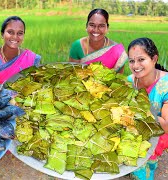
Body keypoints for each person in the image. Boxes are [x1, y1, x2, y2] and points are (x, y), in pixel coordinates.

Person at [127, 37, 168, 180]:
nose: (135, 65)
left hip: (158, 133)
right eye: (131, 61)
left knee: (146, 166)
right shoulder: (129, 81)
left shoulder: (165, 85)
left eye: (141, 59)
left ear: (154, 59)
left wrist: (142, 114)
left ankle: (151, 163)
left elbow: (167, 126)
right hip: (134, 131)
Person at [0, 16, 41, 84]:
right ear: (2, 34)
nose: (15, 37)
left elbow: (36, 85)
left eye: (20, 33)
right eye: (10, 32)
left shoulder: (32, 59)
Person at [69, 8, 127, 73]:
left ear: (107, 28)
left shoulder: (117, 51)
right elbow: (72, 75)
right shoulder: (77, 46)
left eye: (101, 26)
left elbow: (118, 80)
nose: (96, 30)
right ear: (86, 26)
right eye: (92, 25)